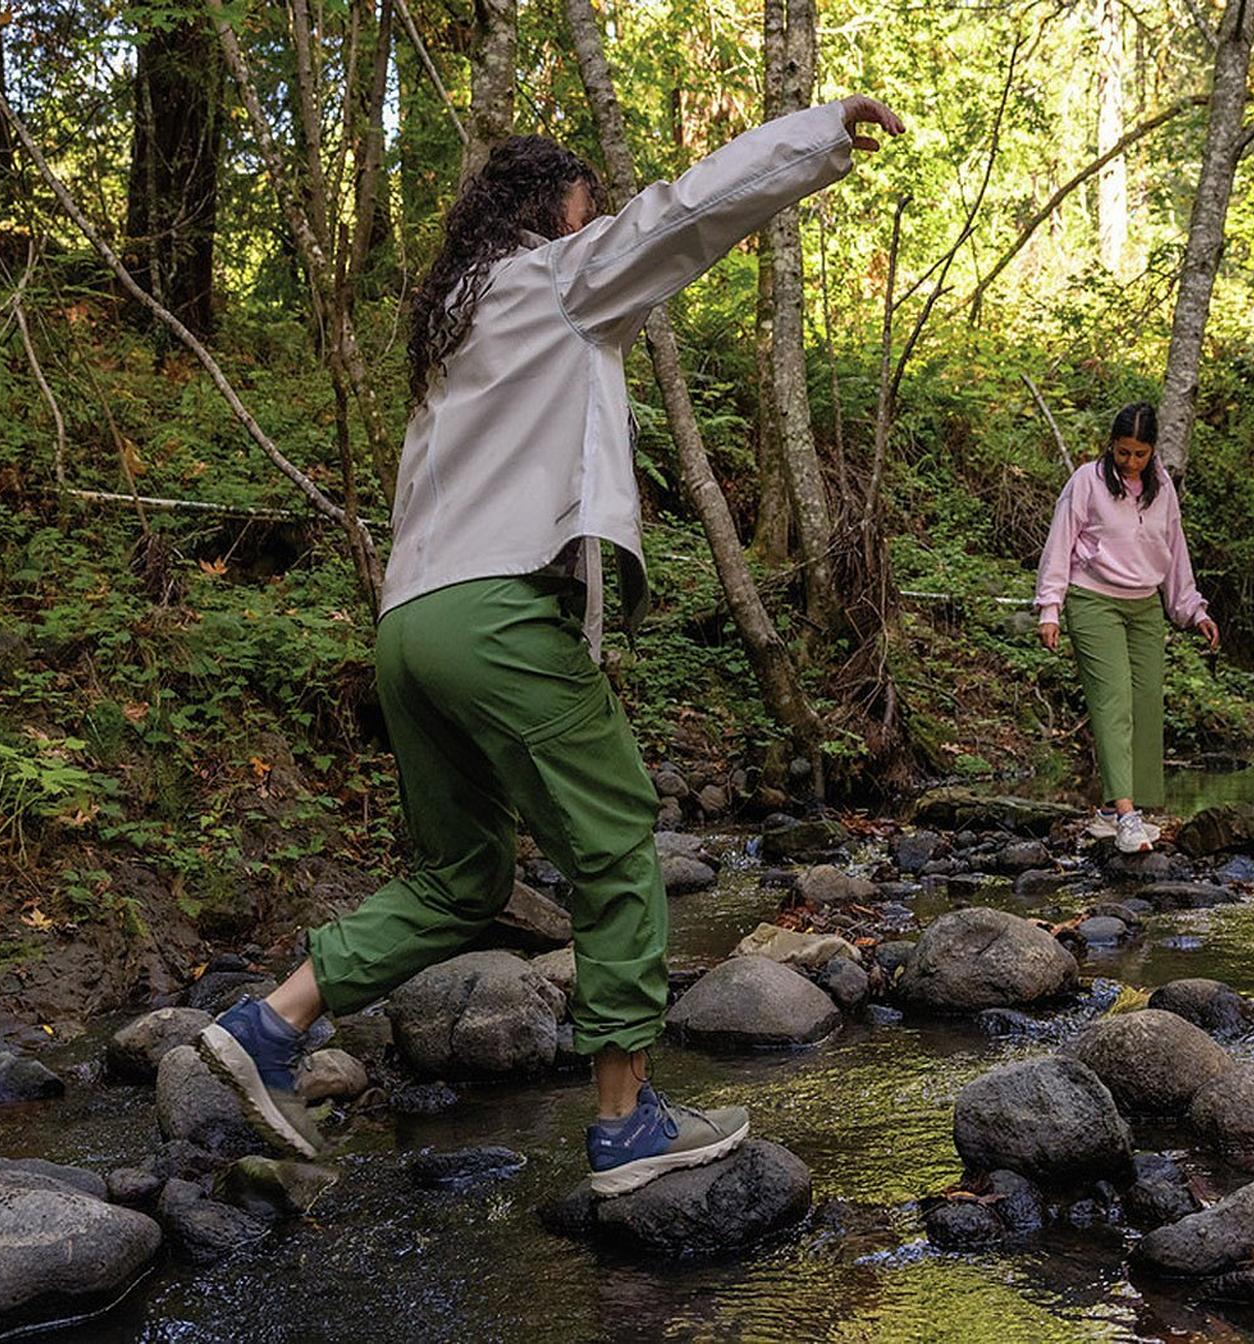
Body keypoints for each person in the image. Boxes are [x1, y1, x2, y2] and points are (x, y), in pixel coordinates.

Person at [198, 93, 905, 1194]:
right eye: (585, 209)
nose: (596, 226)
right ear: (548, 215)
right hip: (493, 618)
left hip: (406, 629)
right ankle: (625, 1127)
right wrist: (813, 136)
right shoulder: (554, 279)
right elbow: (682, 216)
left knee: (463, 876)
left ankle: (273, 1023)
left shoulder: (454, 327)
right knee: (618, 840)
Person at [1035, 402, 1220, 853]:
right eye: (1123, 453)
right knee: (1113, 698)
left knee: (1145, 702)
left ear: (1152, 451)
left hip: (1144, 606)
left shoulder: (1162, 491)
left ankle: (1110, 812)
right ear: (1111, 447)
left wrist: (1193, 609)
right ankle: (1126, 816)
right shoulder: (1087, 481)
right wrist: (1050, 608)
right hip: (1093, 599)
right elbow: (1060, 542)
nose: (1130, 462)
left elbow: (1173, 551)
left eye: (1139, 454)